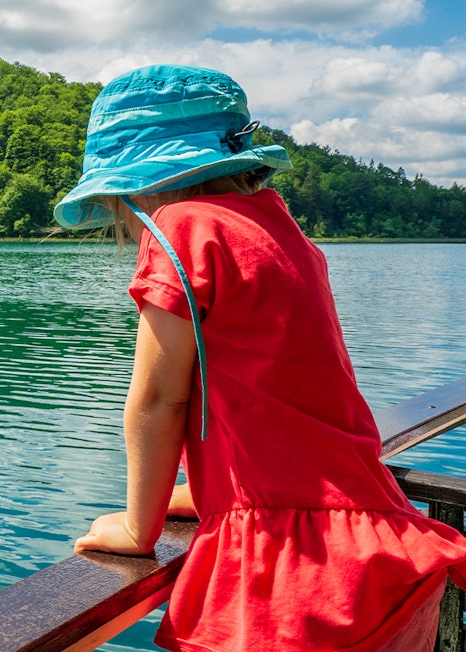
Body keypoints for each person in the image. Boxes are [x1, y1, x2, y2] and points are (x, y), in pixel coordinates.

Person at [53, 64, 466, 651]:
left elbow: (158, 400)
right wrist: (210, 488)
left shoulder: (180, 227)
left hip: (300, 580)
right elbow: (287, 392)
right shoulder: (279, 228)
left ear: (136, 182)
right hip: (379, 553)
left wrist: (137, 527)